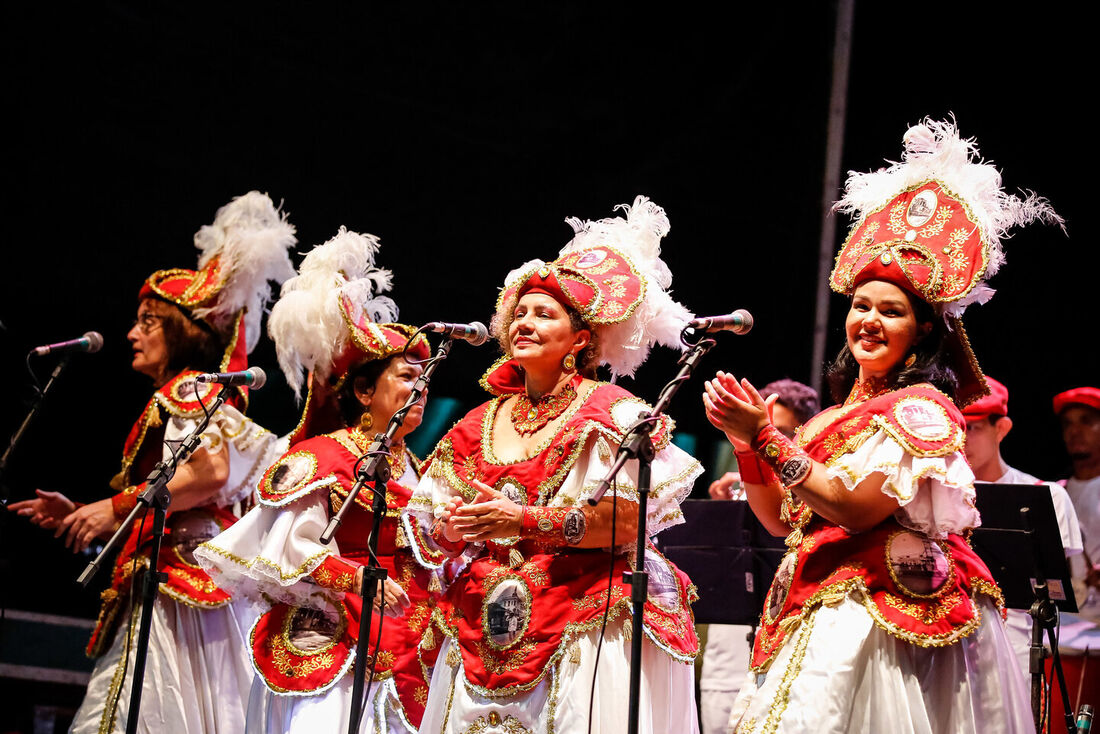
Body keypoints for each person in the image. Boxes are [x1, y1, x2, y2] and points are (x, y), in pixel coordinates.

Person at [704, 119, 1062, 733]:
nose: (867, 320)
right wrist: (745, 444)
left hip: (882, 612)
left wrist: (766, 435)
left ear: (923, 329)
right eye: (860, 305)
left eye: (890, 311)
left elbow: (856, 510)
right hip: (819, 605)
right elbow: (781, 520)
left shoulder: (921, 409)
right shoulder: (836, 417)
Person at [404, 196, 703, 733]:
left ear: (581, 339)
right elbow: (432, 523)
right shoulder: (478, 421)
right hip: (487, 617)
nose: (525, 322)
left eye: (544, 314)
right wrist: (454, 527)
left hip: (585, 616)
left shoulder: (610, 413)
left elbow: (629, 522)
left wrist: (522, 522)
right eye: (519, 313)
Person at [8, 191, 296, 734]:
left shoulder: (191, 390)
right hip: (173, 583)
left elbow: (210, 472)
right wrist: (82, 513)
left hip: (178, 591)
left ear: (183, 331)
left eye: (148, 321)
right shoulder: (192, 395)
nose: (132, 333)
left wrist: (111, 508)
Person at [195, 227, 441, 733]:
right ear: (364, 391)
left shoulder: (419, 470)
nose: (421, 390)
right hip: (331, 636)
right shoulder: (323, 457)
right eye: (407, 377)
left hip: (402, 646)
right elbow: (286, 548)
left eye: (426, 380)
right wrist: (357, 578)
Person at [700, 379, 818, 734]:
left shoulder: (818, 491)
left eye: (776, 432)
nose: (764, 441)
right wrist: (725, 516)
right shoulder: (741, 481)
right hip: (730, 653)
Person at [962, 376, 1084, 672]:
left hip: (1016, 651)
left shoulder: (1047, 495)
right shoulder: (935, 496)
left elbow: (1063, 589)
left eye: (972, 428)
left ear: (1001, 429)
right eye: (954, 428)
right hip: (948, 645)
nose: (960, 440)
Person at [1054, 386, 1100, 620]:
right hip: (1068, 628)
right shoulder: (1057, 492)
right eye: (1067, 424)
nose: (1075, 431)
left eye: (1086, 421)